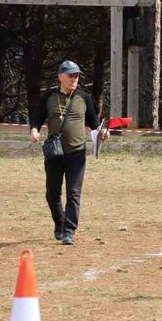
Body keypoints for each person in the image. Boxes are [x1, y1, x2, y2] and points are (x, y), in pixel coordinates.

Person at [29, 60, 104, 245]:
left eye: (77, 75)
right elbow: (37, 118)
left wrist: (102, 133)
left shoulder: (84, 98)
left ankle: (69, 231)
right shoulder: (49, 96)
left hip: (76, 153)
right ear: (60, 77)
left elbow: (94, 124)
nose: (74, 79)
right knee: (52, 193)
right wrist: (34, 130)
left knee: (74, 193)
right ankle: (59, 223)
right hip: (55, 152)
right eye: (70, 75)